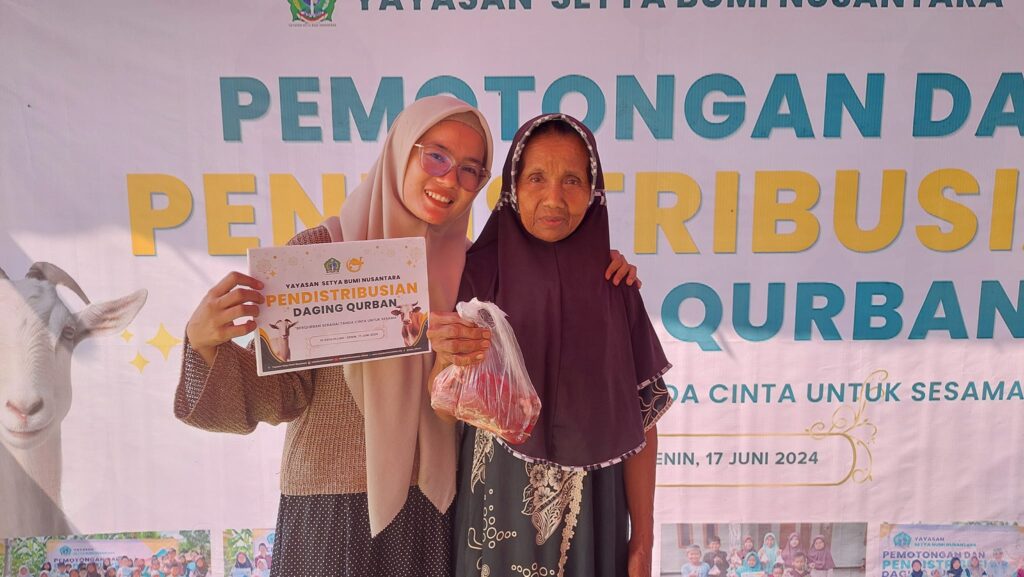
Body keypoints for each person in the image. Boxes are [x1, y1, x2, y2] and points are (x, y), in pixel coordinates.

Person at [176, 97, 637, 577]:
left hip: (435, 509)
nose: (450, 180)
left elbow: (507, 361)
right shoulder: (319, 254)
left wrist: (598, 266)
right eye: (435, 157)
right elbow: (279, 395)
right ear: (400, 152)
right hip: (330, 511)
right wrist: (204, 344)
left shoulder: (475, 269)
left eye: (470, 170)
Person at [427, 113, 671, 577]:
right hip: (496, 512)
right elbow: (443, 410)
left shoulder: (615, 286)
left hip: (594, 513)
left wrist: (642, 541)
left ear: (593, 190)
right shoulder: (476, 276)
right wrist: (448, 357)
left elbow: (644, 424)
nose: (554, 198)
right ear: (513, 187)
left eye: (572, 180)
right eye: (537, 178)